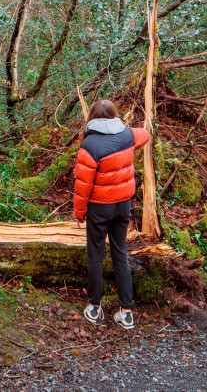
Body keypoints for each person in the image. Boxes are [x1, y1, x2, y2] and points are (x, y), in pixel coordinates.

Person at [73, 100, 150, 328]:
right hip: (123, 205)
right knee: (120, 253)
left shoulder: (89, 146)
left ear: (93, 118)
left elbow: (82, 186)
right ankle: (126, 313)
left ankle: (94, 308)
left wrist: (79, 213)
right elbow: (144, 134)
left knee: (96, 255)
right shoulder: (128, 136)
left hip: (99, 208)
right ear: (114, 115)